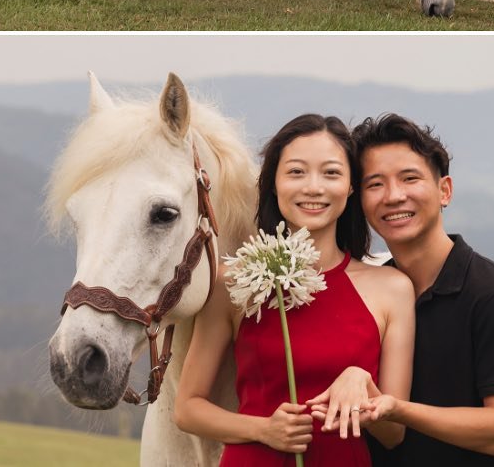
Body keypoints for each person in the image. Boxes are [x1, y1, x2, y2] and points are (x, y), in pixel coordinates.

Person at [175, 113, 415, 463]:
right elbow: (188, 409)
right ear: (273, 182)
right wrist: (262, 429)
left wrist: (361, 381)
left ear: (351, 186)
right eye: (296, 172)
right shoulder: (234, 281)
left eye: (331, 173)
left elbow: (394, 433)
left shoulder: (392, 288)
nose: (313, 187)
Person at [348, 115, 494, 465]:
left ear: (444, 191)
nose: (394, 196)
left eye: (410, 178)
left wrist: (399, 410)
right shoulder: (369, 296)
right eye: (374, 184)